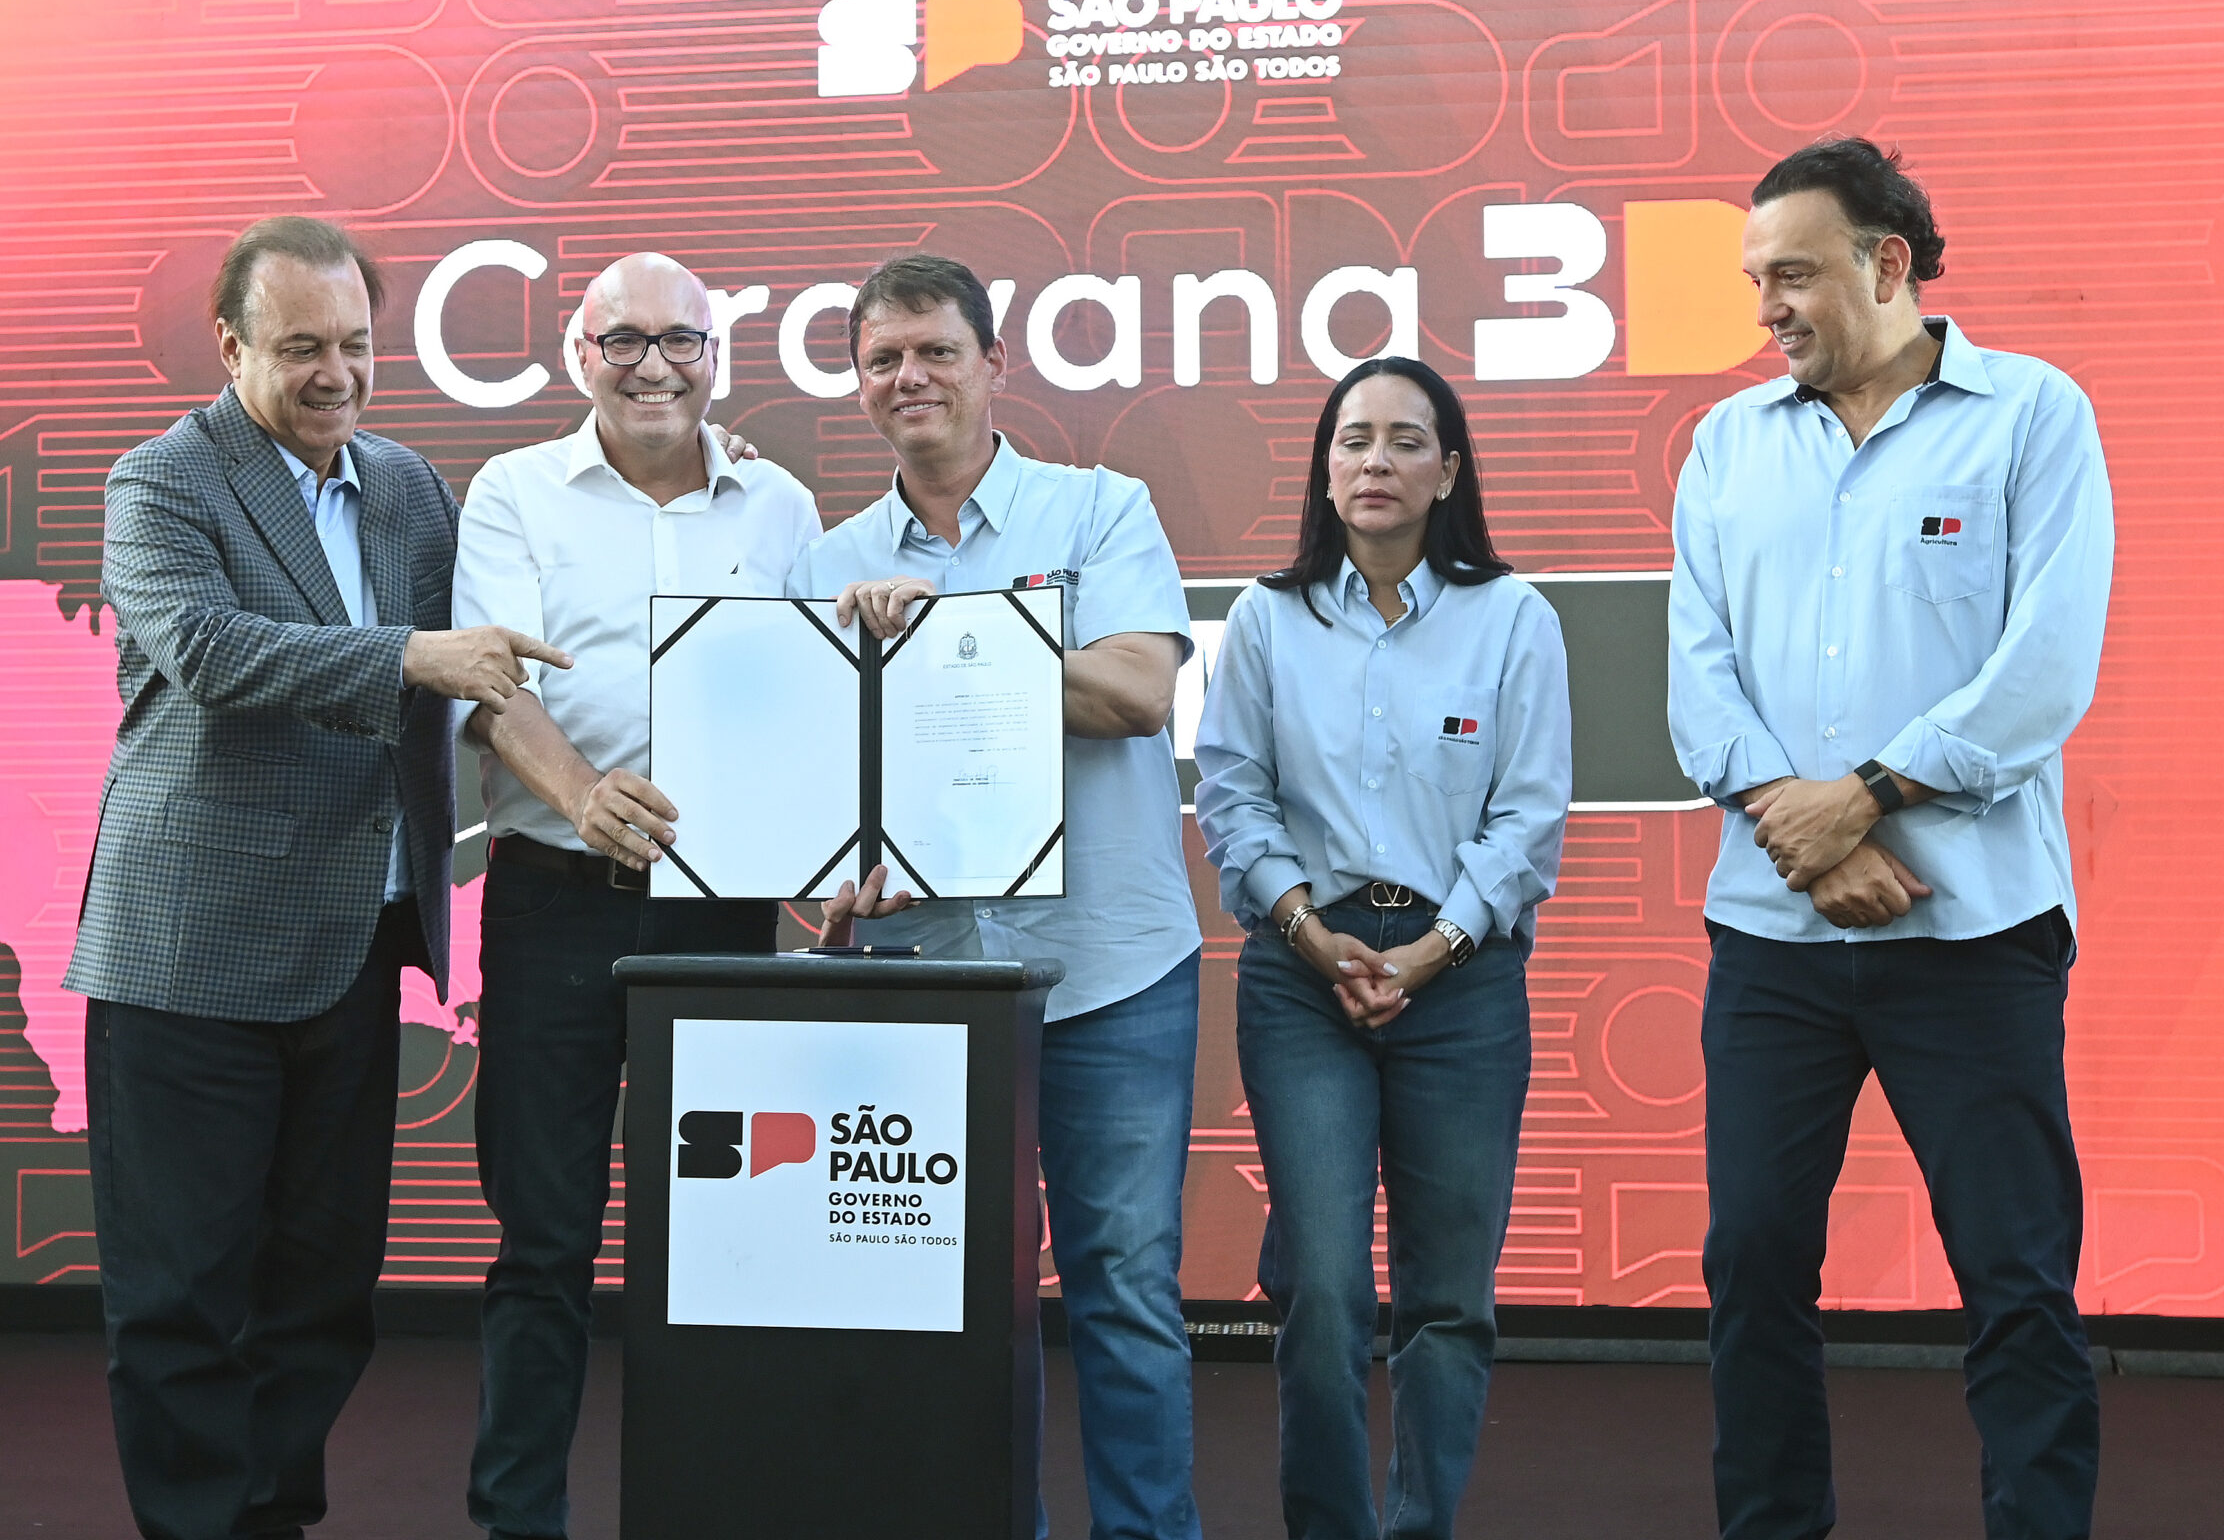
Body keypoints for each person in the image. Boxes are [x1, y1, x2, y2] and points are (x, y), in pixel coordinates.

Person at [67, 215, 567, 1540]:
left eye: (354, 344)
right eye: (301, 348)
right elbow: (208, 651)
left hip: (351, 945)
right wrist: (406, 657)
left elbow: (501, 646)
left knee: (324, 1286)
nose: (336, 374)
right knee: (180, 1297)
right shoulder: (162, 480)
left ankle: (270, 1515)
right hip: (187, 956)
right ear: (230, 346)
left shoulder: (408, 487)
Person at [1667, 137, 2114, 1540]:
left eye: (1794, 274)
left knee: (2016, 1277)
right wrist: (1806, 838)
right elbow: (1696, 681)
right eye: (1756, 281)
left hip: (1975, 935)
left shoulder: (2033, 415)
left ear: (1889, 264)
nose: (1768, 308)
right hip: (1772, 940)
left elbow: (2044, 670)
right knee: (1750, 1267)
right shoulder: (1725, 445)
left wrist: (1861, 794)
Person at [790, 253, 1205, 1540]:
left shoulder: (1101, 509)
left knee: (1123, 1292)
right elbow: (822, 782)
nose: (908, 377)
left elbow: (1136, 693)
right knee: (947, 1302)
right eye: (882, 360)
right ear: (859, 386)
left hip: (1108, 970)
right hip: (922, 977)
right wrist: (830, 879)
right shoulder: (829, 562)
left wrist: (946, 639)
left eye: (935, 351)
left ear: (992, 366)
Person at [452, 252, 822, 1540]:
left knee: (726, 1237)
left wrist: (829, 856)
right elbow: (491, 685)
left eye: (681, 341)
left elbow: (814, 702)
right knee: (544, 1240)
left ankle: (712, 1509)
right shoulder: (513, 494)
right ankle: (519, 1522)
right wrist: (583, 796)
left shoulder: (780, 507)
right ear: (579, 354)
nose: (654, 365)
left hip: (723, 915)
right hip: (555, 904)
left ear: (717, 357)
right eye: (624, 340)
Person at [1193, 357, 1569, 1540]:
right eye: (1353, 439)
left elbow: (1527, 815)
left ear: (1447, 472)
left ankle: (1418, 1525)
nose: (1375, 462)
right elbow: (1232, 796)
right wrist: (1315, 937)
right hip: (1302, 976)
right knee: (1321, 1287)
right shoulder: (1266, 619)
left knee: (1447, 1297)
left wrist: (1432, 951)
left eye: (1406, 441)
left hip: (1461, 983)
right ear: (1323, 467)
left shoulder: (1513, 619)